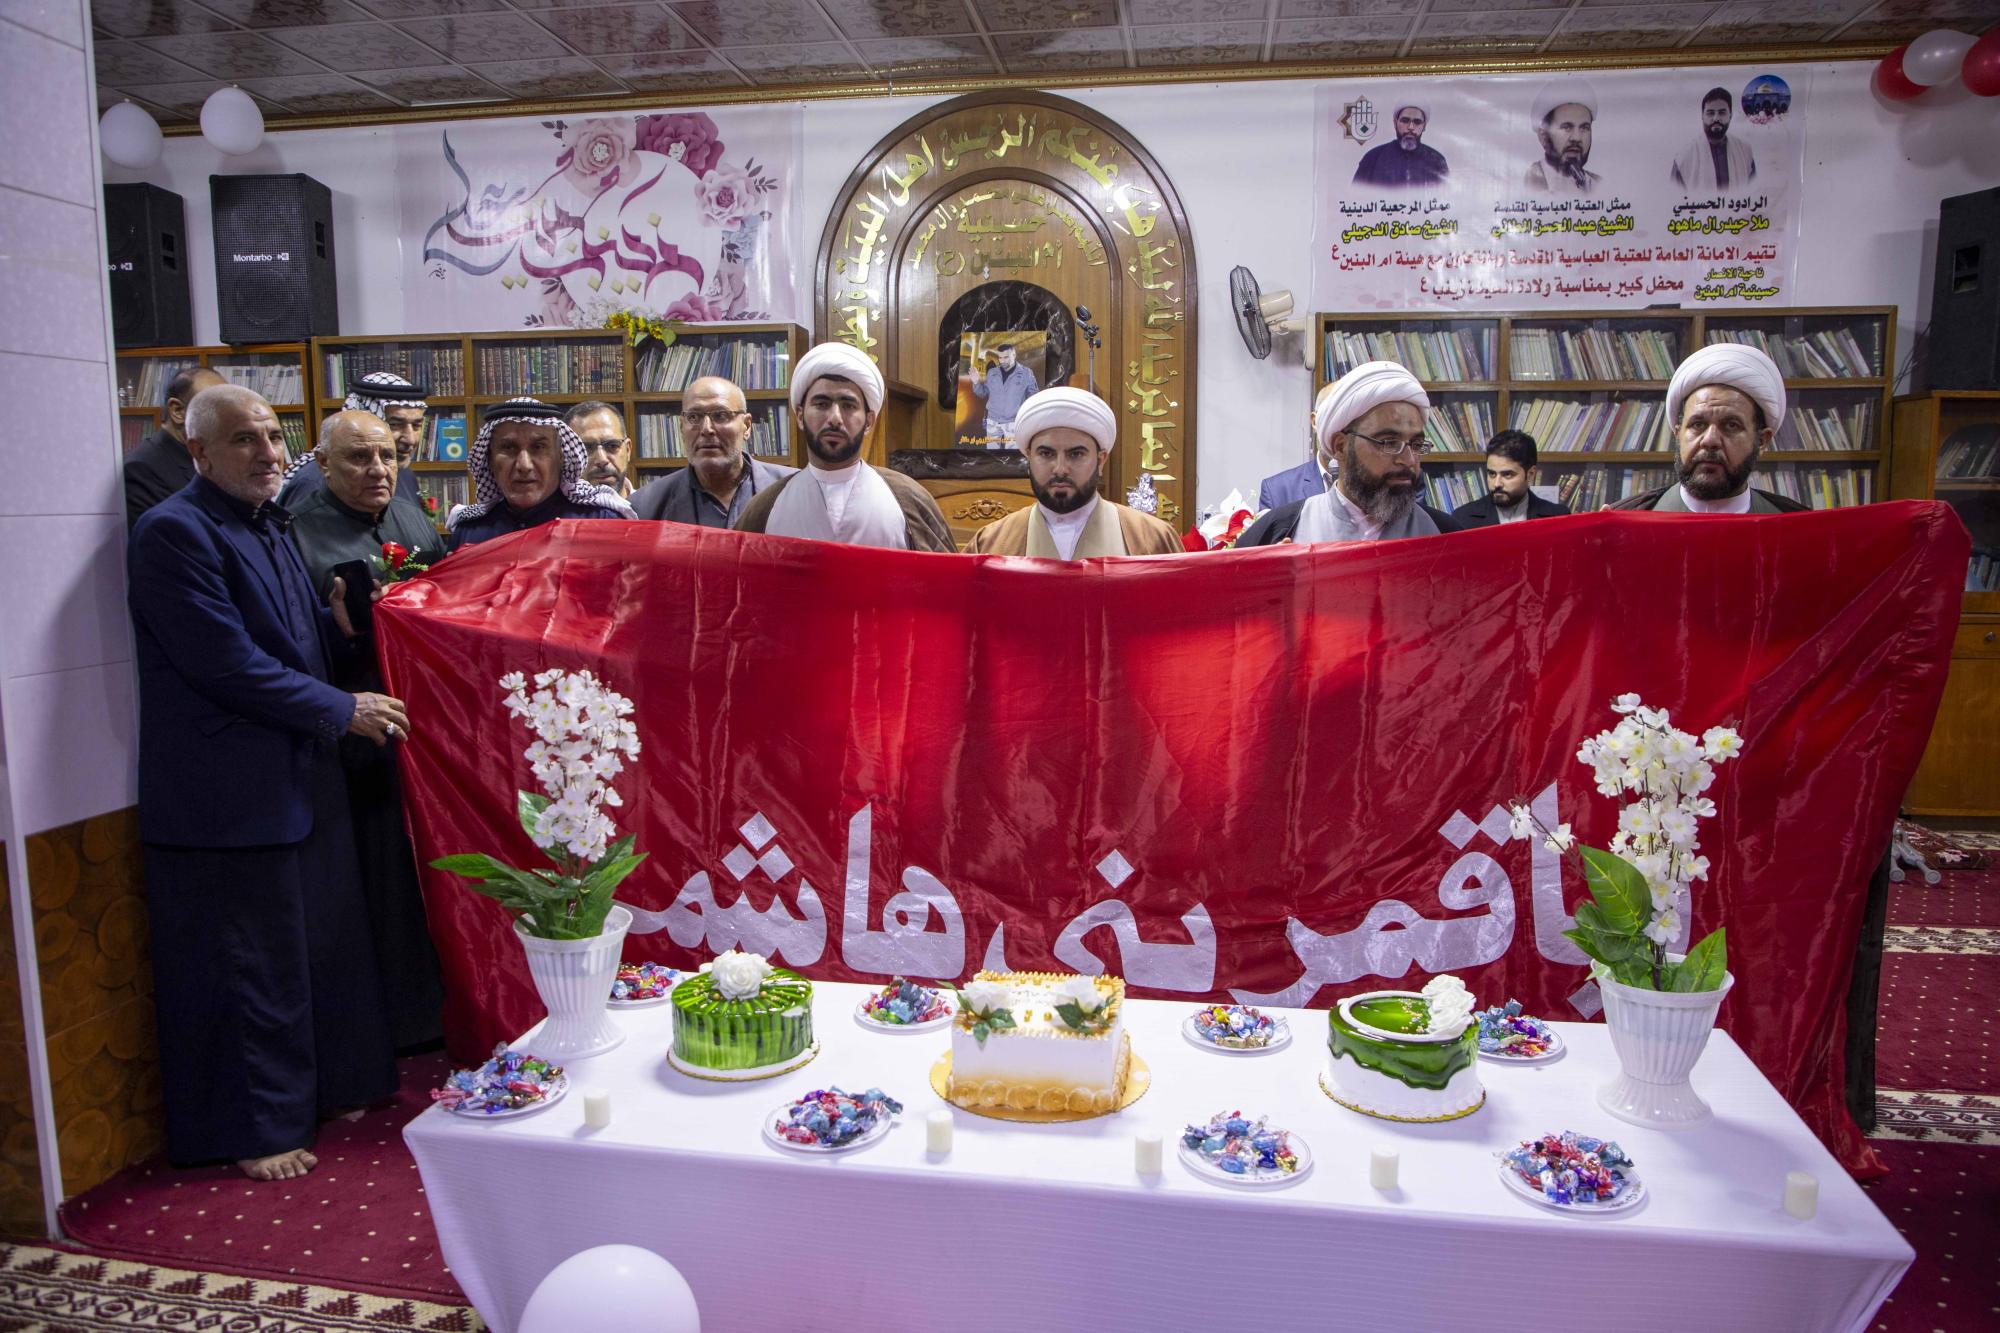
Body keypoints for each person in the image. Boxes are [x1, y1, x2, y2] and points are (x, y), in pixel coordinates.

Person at [127, 384, 402, 1181]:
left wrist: (344, 632)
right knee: (249, 967)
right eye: (244, 439)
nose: (267, 453)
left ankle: (327, 1088)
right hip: (226, 790)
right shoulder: (173, 532)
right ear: (199, 452)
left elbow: (294, 643)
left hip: (298, 773)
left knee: (316, 947)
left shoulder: (268, 522)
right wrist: (341, 708)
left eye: (274, 437)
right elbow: (225, 664)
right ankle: (255, 1126)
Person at [286, 410, 446, 1051]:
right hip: (351, 735)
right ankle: (390, 1029)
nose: (378, 469)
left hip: (424, 725)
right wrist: (337, 631)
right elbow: (288, 643)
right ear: (323, 464)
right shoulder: (295, 531)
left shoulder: (413, 518)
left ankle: (435, 1013)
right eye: (358, 458)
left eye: (388, 456)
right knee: (374, 879)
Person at [736, 343, 952, 551]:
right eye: (822, 404)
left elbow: (947, 574)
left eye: (848, 405)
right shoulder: (765, 507)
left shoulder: (909, 499)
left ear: (869, 421)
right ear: (800, 416)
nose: (835, 418)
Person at [1237, 360, 1462, 545]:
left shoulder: (1447, 535)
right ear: (1340, 446)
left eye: (1416, 444)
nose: (1408, 459)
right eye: (1389, 442)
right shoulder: (1280, 530)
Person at [966, 388, 1181, 558]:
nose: (1060, 469)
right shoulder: (990, 544)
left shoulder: (1152, 540)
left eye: (1076, 454)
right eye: (1046, 454)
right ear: (1029, 457)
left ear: (1101, 460)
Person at [1608, 344, 1807, 514]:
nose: (1710, 440)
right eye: (1698, 425)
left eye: (1731, 425)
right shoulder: (1628, 521)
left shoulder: (1797, 528)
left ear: (1762, 440)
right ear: (1677, 434)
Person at [446, 397, 635, 548]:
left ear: (561, 457)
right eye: (509, 448)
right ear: (489, 460)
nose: (524, 465)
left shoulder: (603, 524)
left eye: (538, 447)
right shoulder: (468, 533)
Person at [628, 377, 795, 525]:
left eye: (720, 415)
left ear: (746, 426)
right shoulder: (644, 508)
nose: (706, 429)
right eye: (694, 417)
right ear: (682, 427)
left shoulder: (793, 490)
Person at [280, 370, 427, 508]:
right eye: (395, 425)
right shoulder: (314, 482)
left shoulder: (405, 475)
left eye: (416, 425)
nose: (410, 439)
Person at [124, 366, 225, 528]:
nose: (229, 419)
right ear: (177, 411)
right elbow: (172, 534)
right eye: (215, 408)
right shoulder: (141, 469)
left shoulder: (208, 456)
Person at [1451, 430, 1571, 527]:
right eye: (1492, 474)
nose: (1496, 484)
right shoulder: (1462, 519)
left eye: (1507, 474)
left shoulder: (1558, 517)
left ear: (1530, 474)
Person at [1256, 382, 1341, 510]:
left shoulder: (1372, 487)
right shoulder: (1278, 491)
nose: (1339, 429)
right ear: (1314, 421)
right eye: (1332, 416)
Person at [1670, 87, 1757, 192]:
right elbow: (1674, 197)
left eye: (1722, 112)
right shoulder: (1684, 158)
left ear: (1730, 115)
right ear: (1702, 116)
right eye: (1710, 113)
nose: (1716, 118)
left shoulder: (1744, 152)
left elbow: (1752, 193)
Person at [1524, 79, 1602, 195]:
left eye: (1584, 128)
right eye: (1567, 127)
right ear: (1543, 136)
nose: (1576, 138)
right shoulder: (1527, 182)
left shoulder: (1599, 185)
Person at [1351, 103, 1449, 190]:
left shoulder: (1437, 161)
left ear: (1424, 126)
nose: (1410, 127)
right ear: (1395, 123)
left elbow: (1447, 198)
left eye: (1417, 122)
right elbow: (1354, 197)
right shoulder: (1373, 158)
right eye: (1405, 120)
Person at [970, 343, 1040, 446]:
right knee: (992, 452)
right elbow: (983, 393)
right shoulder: (992, 373)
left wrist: (1026, 416)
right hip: (992, 421)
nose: (1002, 361)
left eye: (1006, 357)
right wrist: (976, 383)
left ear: (1014, 355)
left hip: (1013, 422)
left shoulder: (1026, 373)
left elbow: (1034, 396)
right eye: (1000, 358)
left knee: (1013, 452)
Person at [567, 400, 637, 498]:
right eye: (586, 449)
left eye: (612, 446)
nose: (602, 460)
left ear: (628, 450)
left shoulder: (653, 506)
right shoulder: (556, 509)